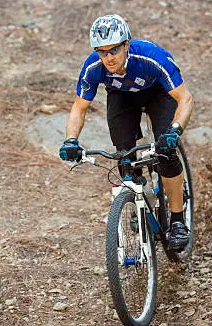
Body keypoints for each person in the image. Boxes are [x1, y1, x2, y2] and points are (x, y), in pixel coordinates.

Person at [59, 14, 194, 250]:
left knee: (166, 152)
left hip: (158, 94)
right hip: (122, 96)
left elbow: (185, 99)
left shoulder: (152, 57)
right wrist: (71, 140)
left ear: (127, 45)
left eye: (114, 50)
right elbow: (79, 108)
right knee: (124, 154)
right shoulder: (93, 66)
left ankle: (177, 221)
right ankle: (137, 198)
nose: (108, 58)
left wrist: (174, 130)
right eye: (102, 51)